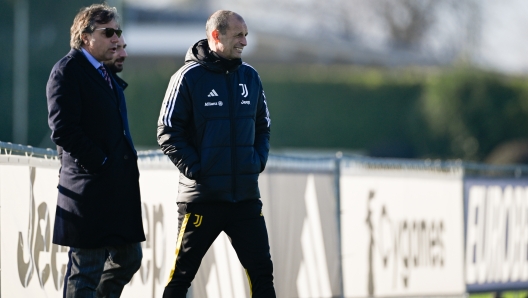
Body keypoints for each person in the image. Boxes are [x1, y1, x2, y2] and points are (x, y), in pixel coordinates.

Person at [157, 9, 275, 298]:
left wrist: (255, 163)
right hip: (202, 201)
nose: (244, 42)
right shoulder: (187, 77)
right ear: (215, 36)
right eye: (238, 35)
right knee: (181, 278)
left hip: (245, 199)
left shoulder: (251, 77)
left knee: (262, 273)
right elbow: (167, 132)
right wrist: (199, 171)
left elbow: (264, 127)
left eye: (246, 35)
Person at [46, 4, 145, 297]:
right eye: (109, 32)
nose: (117, 39)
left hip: (114, 190)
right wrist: (101, 163)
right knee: (86, 270)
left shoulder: (106, 73)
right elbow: (63, 130)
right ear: (86, 37)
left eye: (119, 32)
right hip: (89, 190)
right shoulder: (67, 71)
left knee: (129, 258)